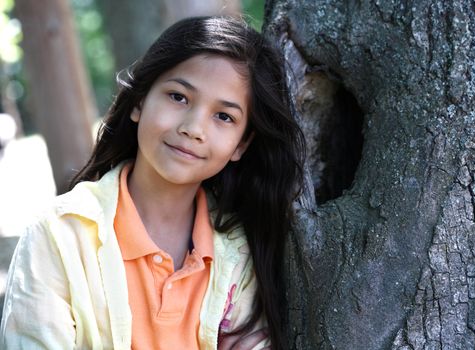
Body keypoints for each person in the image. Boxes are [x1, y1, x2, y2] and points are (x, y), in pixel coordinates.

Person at [0, 16, 304, 350]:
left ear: (241, 145)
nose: (193, 127)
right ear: (139, 101)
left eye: (224, 117)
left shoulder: (240, 255)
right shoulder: (58, 235)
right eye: (178, 97)